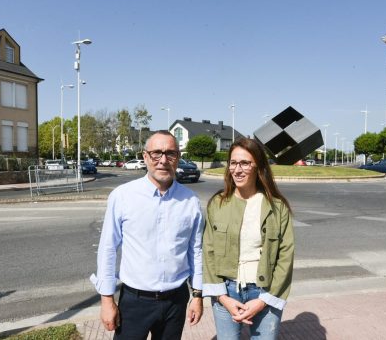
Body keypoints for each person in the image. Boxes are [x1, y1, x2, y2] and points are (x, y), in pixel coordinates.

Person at [90, 130, 204, 340]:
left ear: (178, 157)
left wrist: (197, 295)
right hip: (135, 302)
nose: (163, 160)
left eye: (170, 153)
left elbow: (195, 251)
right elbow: (108, 249)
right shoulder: (123, 196)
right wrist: (107, 300)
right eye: (156, 153)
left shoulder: (191, 202)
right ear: (145, 156)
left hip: (176, 301)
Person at [203, 138, 294, 339]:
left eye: (245, 163)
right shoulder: (217, 204)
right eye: (233, 163)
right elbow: (208, 251)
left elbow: (285, 257)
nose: (237, 169)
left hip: (265, 292)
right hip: (226, 292)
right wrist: (223, 297)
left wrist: (263, 300)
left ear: (259, 167)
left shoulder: (277, 208)